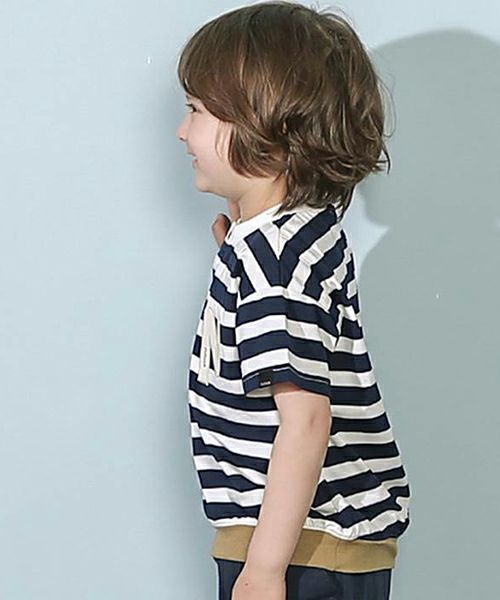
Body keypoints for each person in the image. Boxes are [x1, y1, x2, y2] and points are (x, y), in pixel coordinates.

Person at [176, 2, 411, 599]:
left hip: (298, 544)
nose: (182, 131)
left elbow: (305, 420)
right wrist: (238, 252)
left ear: (265, 126)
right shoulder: (287, 237)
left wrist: (264, 569)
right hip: (308, 536)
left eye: (197, 111)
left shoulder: (273, 263)